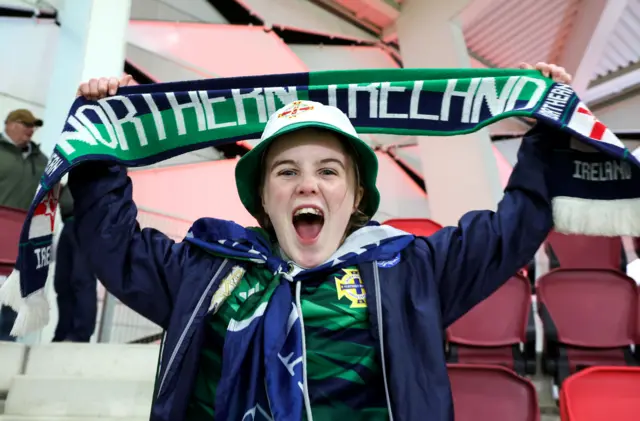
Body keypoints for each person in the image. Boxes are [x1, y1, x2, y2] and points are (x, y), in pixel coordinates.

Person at [70, 63, 572, 421]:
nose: (307, 185)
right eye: (286, 172)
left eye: (328, 172)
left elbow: (513, 228)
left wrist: (546, 129)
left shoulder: (410, 270)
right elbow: (114, 243)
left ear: (356, 197)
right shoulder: (207, 270)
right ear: (263, 199)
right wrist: (99, 149)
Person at [0, 109, 74, 341]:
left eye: (33, 126)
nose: (30, 129)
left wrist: (75, 213)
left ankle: (5, 345)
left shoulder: (42, 161)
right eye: (25, 124)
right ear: (9, 124)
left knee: (16, 294)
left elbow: (57, 190)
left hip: (22, 238)